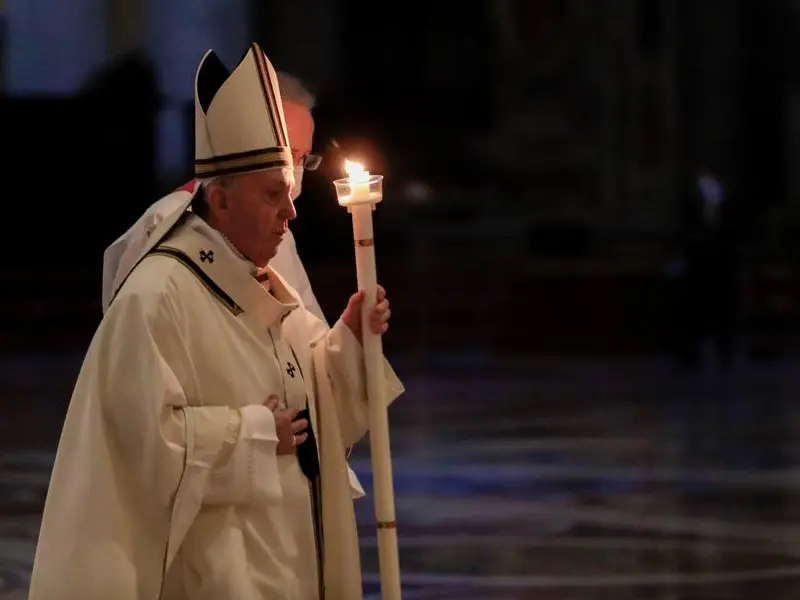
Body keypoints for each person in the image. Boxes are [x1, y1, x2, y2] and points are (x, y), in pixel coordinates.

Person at [28, 42, 404, 600]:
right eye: (274, 193)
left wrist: (348, 340)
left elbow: (312, 401)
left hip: (286, 556)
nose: (292, 209)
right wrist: (254, 434)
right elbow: (139, 445)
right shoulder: (158, 294)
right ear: (221, 203)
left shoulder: (260, 273)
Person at [102, 71, 326, 322]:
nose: (295, 171)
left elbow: (306, 334)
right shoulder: (166, 224)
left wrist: (350, 330)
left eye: (303, 159)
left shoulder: (280, 234)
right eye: (288, 155)